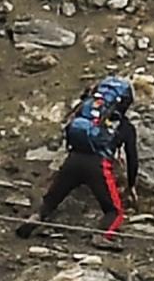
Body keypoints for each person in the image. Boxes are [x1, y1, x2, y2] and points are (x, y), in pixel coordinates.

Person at [19, 75, 140, 243]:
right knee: (114, 211)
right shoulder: (125, 127)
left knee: (51, 201)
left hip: (73, 160)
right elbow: (132, 158)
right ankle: (102, 235)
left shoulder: (84, 111)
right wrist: (131, 185)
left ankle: (36, 216)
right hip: (98, 166)